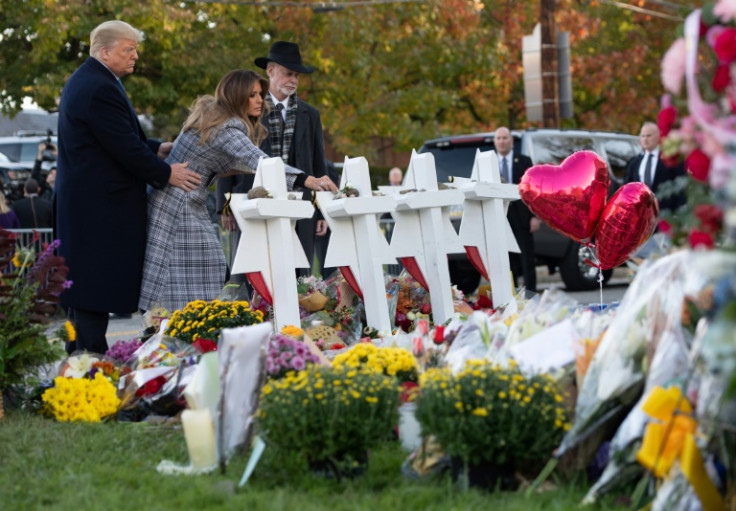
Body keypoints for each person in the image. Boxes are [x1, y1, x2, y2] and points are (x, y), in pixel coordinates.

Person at [55, 20, 202, 355]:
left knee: (86, 292)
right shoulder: (99, 87)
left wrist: (154, 148)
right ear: (105, 52)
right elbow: (122, 147)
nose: (135, 56)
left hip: (87, 206)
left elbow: (114, 138)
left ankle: (81, 359)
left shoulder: (92, 80)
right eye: (128, 49)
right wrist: (166, 173)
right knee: (93, 290)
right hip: (99, 210)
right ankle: (89, 365)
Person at [139, 69, 337, 312]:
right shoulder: (228, 128)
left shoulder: (213, 118)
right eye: (252, 95)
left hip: (177, 201)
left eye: (259, 94)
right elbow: (261, 161)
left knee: (188, 277)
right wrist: (309, 181)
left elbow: (231, 163)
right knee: (196, 276)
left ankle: (179, 332)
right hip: (178, 205)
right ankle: (181, 333)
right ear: (236, 95)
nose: (259, 100)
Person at [255, 41, 329, 277]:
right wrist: (225, 208)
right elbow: (233, 158)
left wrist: (321, 211)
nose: (293, 80)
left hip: (302, 206)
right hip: (257, 201)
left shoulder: (311, 114)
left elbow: (320, 166)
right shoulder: (251, 109)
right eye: (288, 73)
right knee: (259, 273)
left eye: (296, 75)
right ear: (270, 71)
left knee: (301, 277)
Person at [494, 126, 538, 293]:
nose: (502, 141)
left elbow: (533, 190)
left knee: (527, 257)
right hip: (500, 216)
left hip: (523, 216)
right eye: (498, 138)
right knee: (506, 259)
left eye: (505, 138)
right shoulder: (488, 163)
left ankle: (530, 295)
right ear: (495, 142)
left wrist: (534, 217)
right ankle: (510, 295)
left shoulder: (524, 161)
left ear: (511, 141)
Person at [624, 121, 686, 212]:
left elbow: (680, 186)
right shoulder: (634, 163)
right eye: (643, 136)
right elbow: (627, 189)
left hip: (665, 213)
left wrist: (678, 211)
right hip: (640, 214)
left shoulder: (670, 159)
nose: (645, 139)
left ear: (658, 137)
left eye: (649, 136)